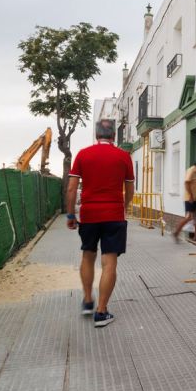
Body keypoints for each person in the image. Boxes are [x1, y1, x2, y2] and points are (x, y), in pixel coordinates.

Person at [65, 119, 134, 327]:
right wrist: (124, 206)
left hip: (89, 215)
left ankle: (88, 300)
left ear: (97, 135)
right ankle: (101, 312)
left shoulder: (83, 155)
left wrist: (70, 214)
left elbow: (71, 188)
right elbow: (130, 189)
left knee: (87, 255)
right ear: (114, 135)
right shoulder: (123, 157)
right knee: (109, 262)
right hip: (114, 214)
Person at [173, 157, 196, 243]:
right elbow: (186, 183)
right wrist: (190, 196)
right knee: (189, 217)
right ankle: (176, 232)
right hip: (190, 199)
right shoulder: (191, 170)